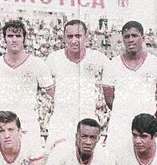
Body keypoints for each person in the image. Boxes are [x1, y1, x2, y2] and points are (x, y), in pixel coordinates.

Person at [103, 20, 157, 156]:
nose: (130, 40)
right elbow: (109, 100)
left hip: (146, 123)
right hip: (119, 123)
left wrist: (151, 118)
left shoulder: (156, 64)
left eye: (134, 36)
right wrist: (123, 112)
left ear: (143, 38)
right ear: (122, 39)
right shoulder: (112, 65)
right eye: (126, 37)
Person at [0, 20, 53, 147]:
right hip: (1, 125)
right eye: (10, 36)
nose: (14, 39)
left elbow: (52, 91)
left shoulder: (37, 63)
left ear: (24, 39)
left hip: (28, 123)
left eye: (18, 36)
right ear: (4, 39)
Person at [45, 20, 109, 151]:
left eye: (78, 36)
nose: (74, 40)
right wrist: (59, 96)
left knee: (89, 158)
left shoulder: (97, 58)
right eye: (70, 36)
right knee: (54, 155)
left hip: (87, 114)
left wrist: (103, 98)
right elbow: (43, 82)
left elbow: (114, 76)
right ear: (64, 38)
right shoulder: (54, 58)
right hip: (62, 116)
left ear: (86, 36)